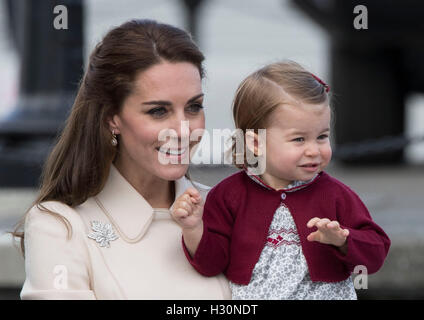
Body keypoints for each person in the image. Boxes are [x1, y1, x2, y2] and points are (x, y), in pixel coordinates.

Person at [12, 19, 231, 300]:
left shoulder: (227, 209)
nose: (183, 130)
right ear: (111, 118)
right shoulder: (59, 227)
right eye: (158, 111)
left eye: (194, 107)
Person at [171, 61, 391, 300]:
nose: (313, 150)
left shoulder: (336, 194)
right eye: (299, 139)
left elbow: (375, 254)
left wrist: (343, 239)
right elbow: (211, 264)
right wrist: (193, 229)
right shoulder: (229, 196)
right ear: (256, 143)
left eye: (322, 136)